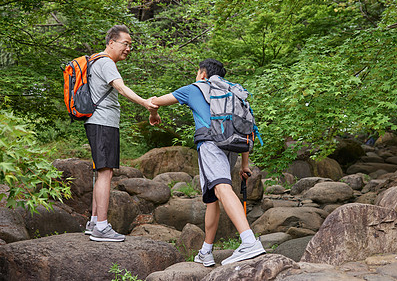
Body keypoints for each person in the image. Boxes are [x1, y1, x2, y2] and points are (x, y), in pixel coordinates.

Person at [148, 58, 265, 265]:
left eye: (197, 73)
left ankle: (249, 241)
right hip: (233, 146)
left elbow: (154, 101)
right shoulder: (235, 91)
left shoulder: (194, 88)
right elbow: (248, 128)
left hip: (210, 145)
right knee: (212, 196)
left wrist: (153, 114)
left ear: (203, 74)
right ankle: (206, 251)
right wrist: (245, 164)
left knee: (221, 189)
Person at [84, 25, 158, 242]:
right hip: (103, 122)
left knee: (102, 171)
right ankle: (101, 226)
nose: (128, 49)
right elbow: (121, 88)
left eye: (130, 45)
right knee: (106, 172)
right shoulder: (106, 62)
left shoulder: (96, 61)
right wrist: (145, 103)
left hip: (98, 122)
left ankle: (94, 222)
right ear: (111, 43)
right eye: (125, 44)